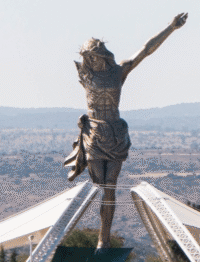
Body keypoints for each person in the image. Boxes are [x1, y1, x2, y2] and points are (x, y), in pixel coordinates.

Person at [64, 13, 188, 248]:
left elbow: (145, 51)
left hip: (115, 133)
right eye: (88, 56)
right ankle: (93, 231)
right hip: (93, 133)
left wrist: (171, 27)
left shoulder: (118, 72)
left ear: (102, 55)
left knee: (109, 186)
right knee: (98, 185)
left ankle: (104, 238)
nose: (91, 60)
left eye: (94, 56)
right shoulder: (85, 74)